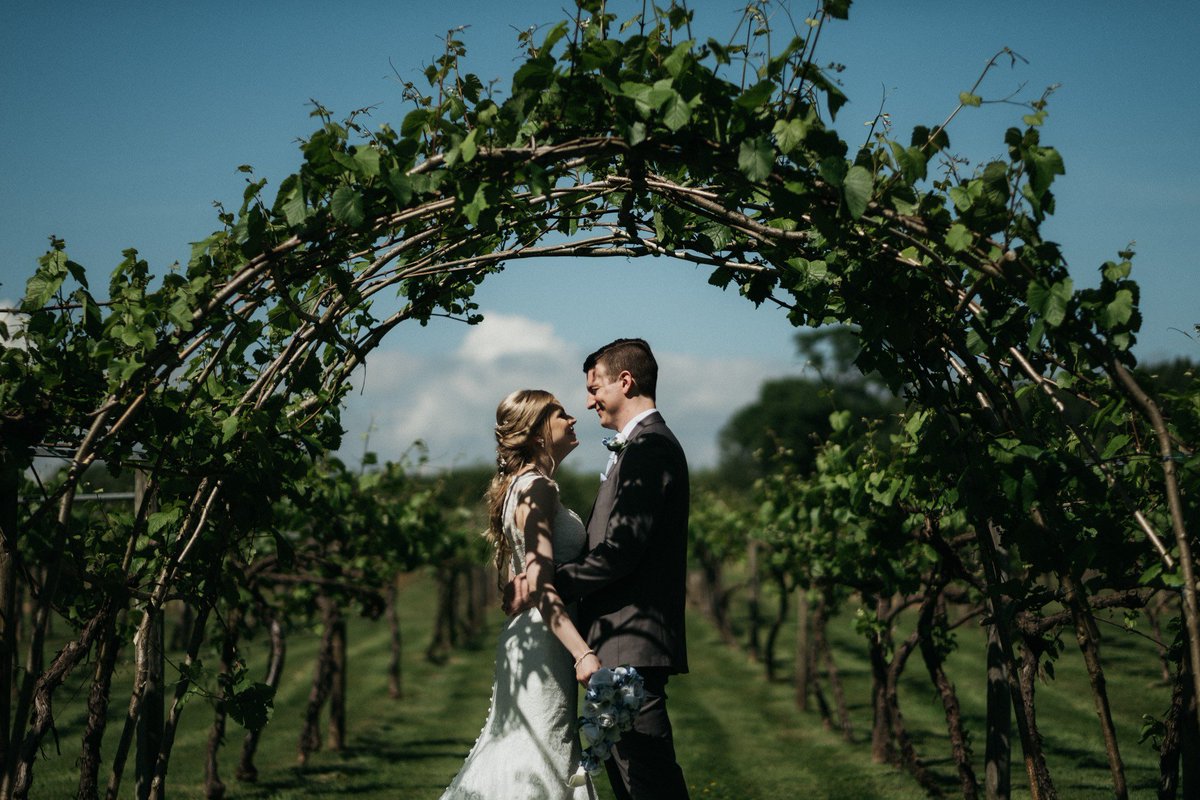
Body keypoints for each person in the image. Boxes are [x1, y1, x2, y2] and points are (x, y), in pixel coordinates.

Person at [508, 338, 692, 800]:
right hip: (614, 640)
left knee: (648, 783)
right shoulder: (636, 450)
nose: (588, 401)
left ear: (625, 382)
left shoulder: (648, 449)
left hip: (631, 641)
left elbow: (621, 551)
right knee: (634, 780)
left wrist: (544, 584)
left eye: (594, 387)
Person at [439, 389, 600, 800]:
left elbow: (522, 582)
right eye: (561, 413)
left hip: (527, 636)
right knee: (541, 755)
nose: (573, 418)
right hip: (545, 639)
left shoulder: (520, 486)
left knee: (522, 747)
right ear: (538, 430)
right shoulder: (538, 488)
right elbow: (542, 585)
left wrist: (521, 589)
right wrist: (584, 654)